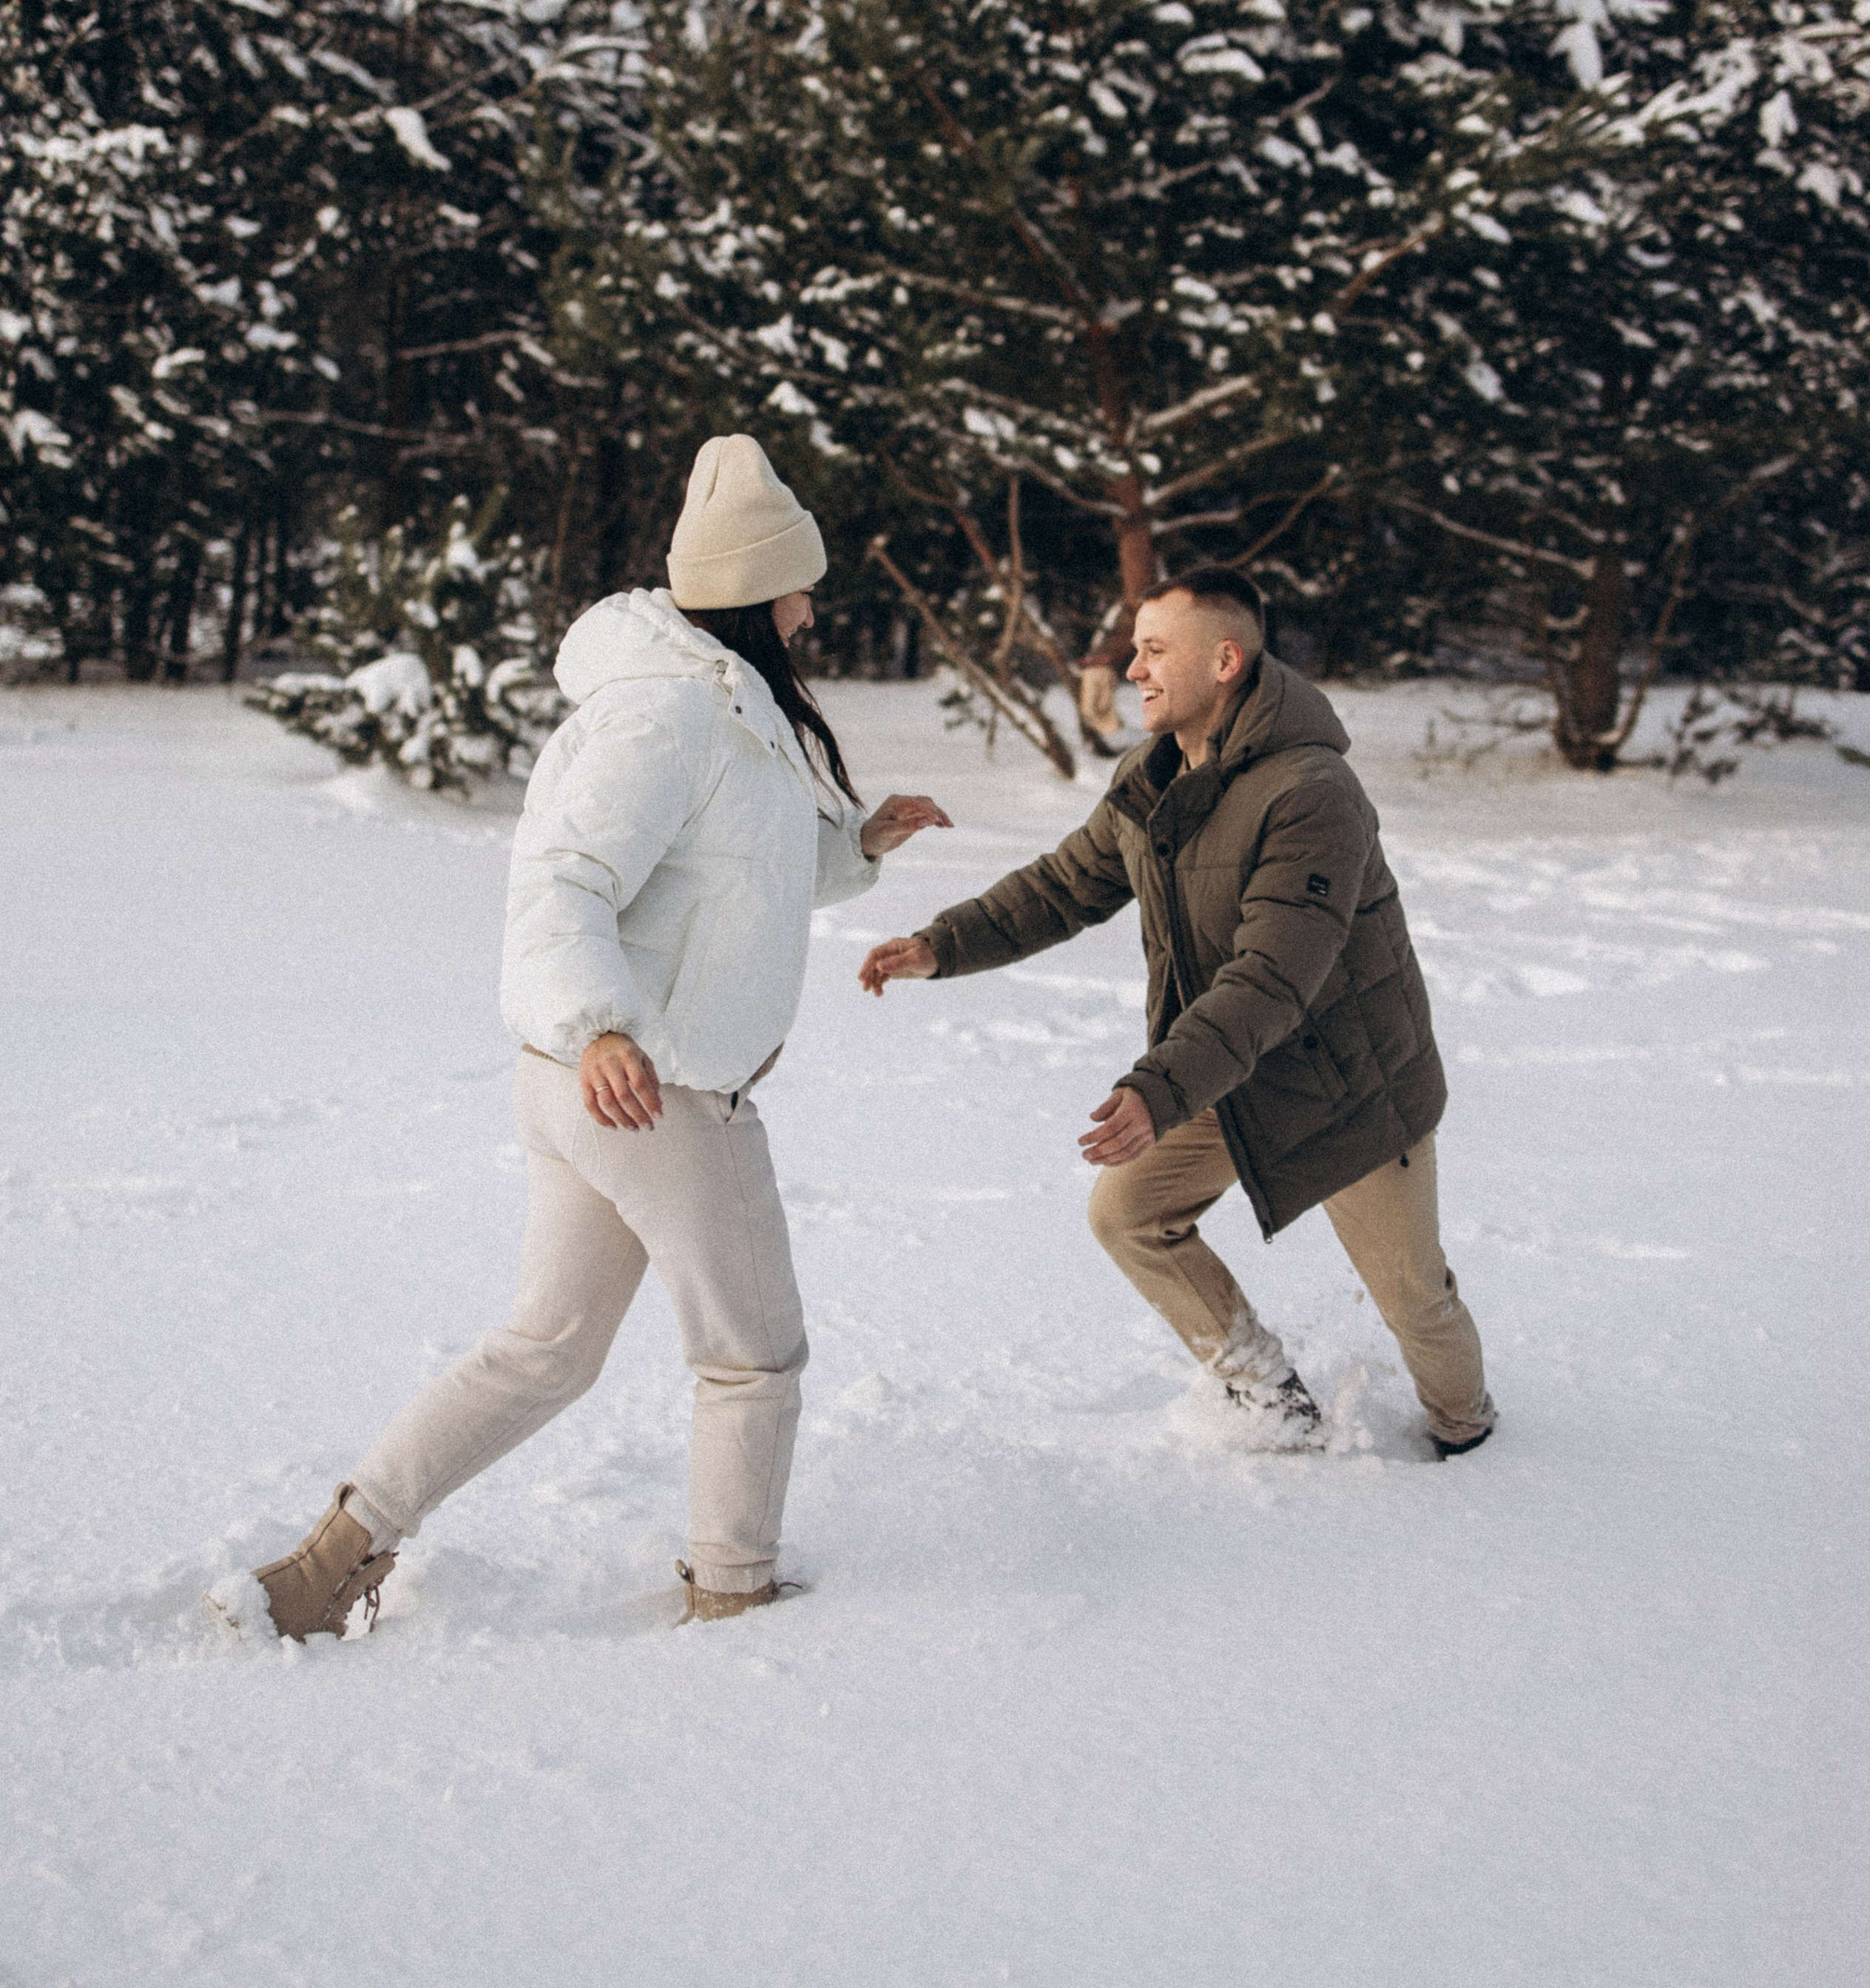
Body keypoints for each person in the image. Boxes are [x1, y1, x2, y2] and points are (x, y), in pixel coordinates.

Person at [221, 436, 950, 1640]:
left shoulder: (717, 707)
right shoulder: (672, 717)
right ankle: (733, 1590)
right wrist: (603, 1026)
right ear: (758, 592)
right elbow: (560, 882)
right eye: (801, 584)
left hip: (588, 1089)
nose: (815, 607)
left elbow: (734, 882)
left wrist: (855, 850)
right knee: (754, 1357)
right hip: (653, 1092)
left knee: (545, 1350)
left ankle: (329, 1563)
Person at [860, 568, 1494, 1459]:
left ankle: (1469, 1436)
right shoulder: (1154, 775)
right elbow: (1066, 884)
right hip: (1224, 1069)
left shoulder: (1311, 792)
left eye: (1155, 650)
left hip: (1345, 1084)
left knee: (1411, 1297)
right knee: (1128, 1213)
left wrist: (1159, 1088)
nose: (1133, 669)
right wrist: (945, 945)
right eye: (1135, 650)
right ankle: (1264, 1390)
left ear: (1226, 661)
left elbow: (1274, 973)